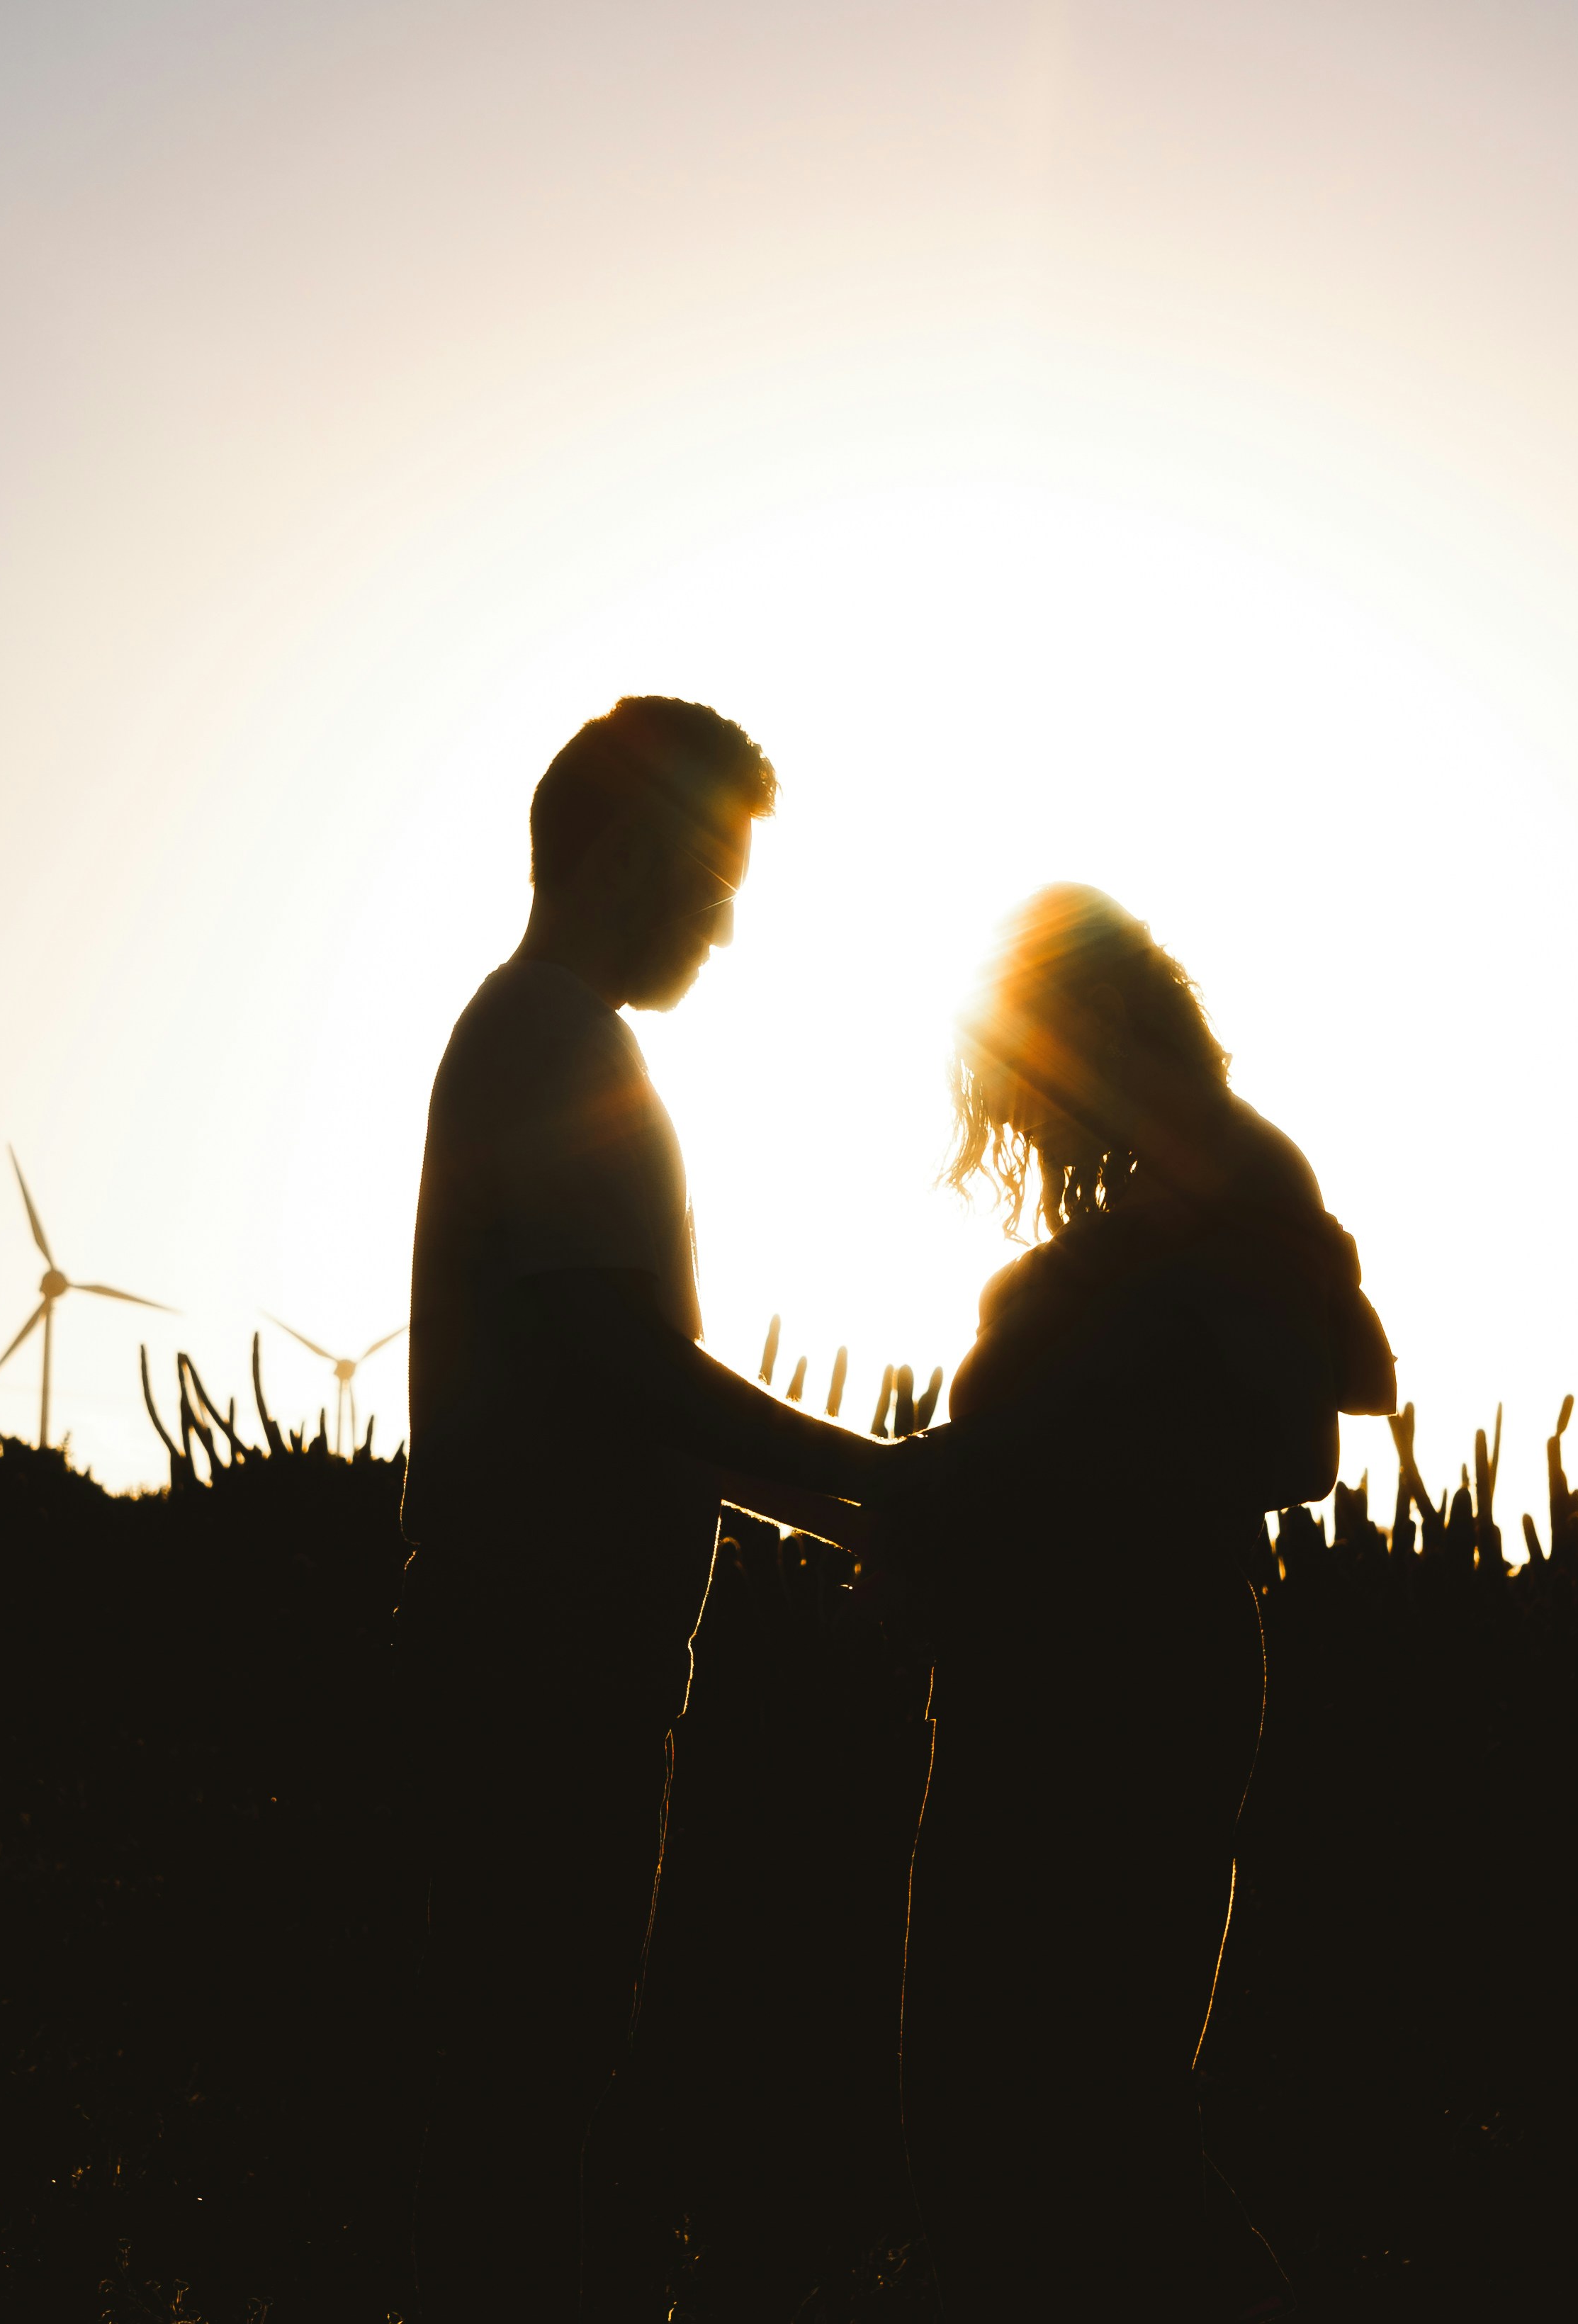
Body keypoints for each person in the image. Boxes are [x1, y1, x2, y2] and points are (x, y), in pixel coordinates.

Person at [397, 696, 889, 2323]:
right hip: (540, 1667)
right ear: (614, 852)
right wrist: (879, 1479)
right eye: (705, 872)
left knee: (527, 2108)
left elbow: (613, 1378)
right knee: (525, 2119)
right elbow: (625, 1359)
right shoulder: (556, 1042)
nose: (724, 921)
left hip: (558, 1664)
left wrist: (840, 1512)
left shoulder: (541, 1033)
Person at [887, 885, 1394, 2320]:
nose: (1018, 1114)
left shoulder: (1235, 1184)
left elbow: (1293, 1445)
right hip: (1036, 1685)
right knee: (1008, 2115)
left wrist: (1019, 1470)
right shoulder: (1163, 1191)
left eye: (1021, 1067)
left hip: (1120, 1689)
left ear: (1089, 1030)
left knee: (1086, 2116)